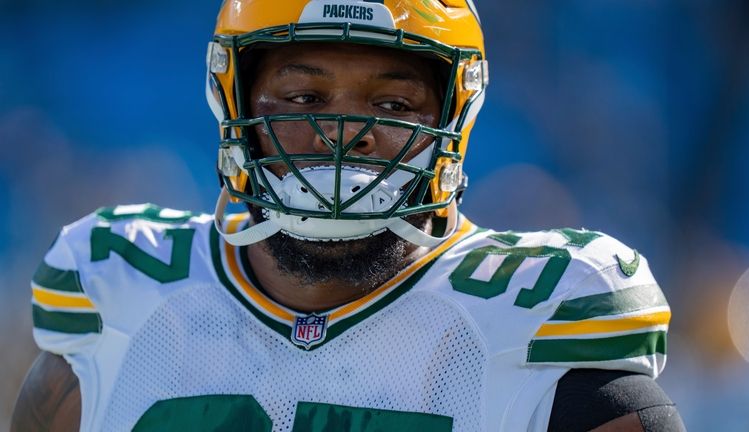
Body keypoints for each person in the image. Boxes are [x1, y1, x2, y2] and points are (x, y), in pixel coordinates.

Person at [11, 1, 685, 430]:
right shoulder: (116, 293)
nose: (345, 136)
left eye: (393, 107)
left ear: (454, 116)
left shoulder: (537, 316)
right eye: (304, 97)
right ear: (235, 101)